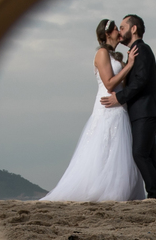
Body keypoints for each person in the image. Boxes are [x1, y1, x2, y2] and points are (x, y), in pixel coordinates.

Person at [40, 19, 147, 201]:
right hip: (107, 106)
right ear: (107, 34)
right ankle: (102, 190)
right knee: (103, 145)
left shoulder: (115, 56)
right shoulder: (102, 53)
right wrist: (129, 66)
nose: (120, 33)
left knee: (119, 150)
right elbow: (109, 83)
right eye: (116, 30)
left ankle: (121, 190)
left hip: (119, 107)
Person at [100, 14, 156, 199]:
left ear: (133, 29)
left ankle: (153, 196)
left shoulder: (142, 50)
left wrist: (119, 98)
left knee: (139, 154)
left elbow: (141, 81)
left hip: (146, 110)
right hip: (143, 111)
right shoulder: (134, 52)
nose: (120, 32)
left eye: (122, 27)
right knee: (150, 156)